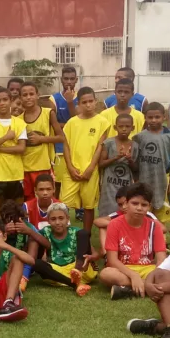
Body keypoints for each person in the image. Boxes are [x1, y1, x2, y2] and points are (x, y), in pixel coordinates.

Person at [99, 183, 168, 301]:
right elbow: (112, 260)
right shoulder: (114, 224)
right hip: (122, 269)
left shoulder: (154, 226)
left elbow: (161, 259)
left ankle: (128, 289)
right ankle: (148, 287)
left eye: (144, 205)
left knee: (169, 274)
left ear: (149, 207)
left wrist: (156, 274)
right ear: (126, 204)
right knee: (106, 274)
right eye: (135, 203)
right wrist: (133, 275)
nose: (139, 208)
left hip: (147, 269)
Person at [60, 88, 109, 233]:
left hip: (90, 171)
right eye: (84, 102)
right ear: (79, 103)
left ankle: (86, 237)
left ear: (95, 101)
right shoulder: (71, 122)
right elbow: (66, 146)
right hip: (72, 170)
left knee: (89, 206)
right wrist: (70, 166)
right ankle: (64, 234)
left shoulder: (102, 122)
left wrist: (90, 168)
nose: (88, 105)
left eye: (91, 101)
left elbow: (100, 147)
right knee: (63, 205)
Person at [32, 202, 96, 296]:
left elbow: (95, 254)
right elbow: (34, 239)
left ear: (67, 219)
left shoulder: (76, 232)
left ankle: (77, 271)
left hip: (78, 269)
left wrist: (91, 258)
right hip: (58, 272)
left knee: (84, 233)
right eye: (53, 219)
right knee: (37, 263)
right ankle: (74, 284)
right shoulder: (46, 231)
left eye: (61, 218)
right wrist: (29, 231)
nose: (57, 222)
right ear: (48, 220)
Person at [0, 86, 27, 216]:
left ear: (11, 100)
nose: (2, 103)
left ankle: (12, 233)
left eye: (5, 99)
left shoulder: (19, 123)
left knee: (15, 208)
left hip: (15, 173)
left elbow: (21, 148)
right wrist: (6, 137)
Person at [133, 102, 170, 224]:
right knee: (144, 209)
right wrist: (135, 179)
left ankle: (161, 240)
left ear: (164, 117)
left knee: (161, 211)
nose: (153, 120)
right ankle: (144, 239)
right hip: (144, 179)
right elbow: (135, 161)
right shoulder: (139, 137)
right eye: (150, 117)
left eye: (157, 117)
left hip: (163, 179)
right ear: (145, 117)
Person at [19, 83, 61, 201]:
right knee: (28, 201)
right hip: (24, 168)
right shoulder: (18, 120)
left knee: (46, 199)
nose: (28, 97)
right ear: (20, 98)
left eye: (31, 94)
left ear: (38, 95)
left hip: (43, 166)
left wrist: (41, 139)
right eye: (25, 95)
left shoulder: (48, 113)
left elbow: (61, 137)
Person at [42, 66, 76, 195]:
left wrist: (70, 102)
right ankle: (56, 207)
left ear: (76, 80)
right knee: (58, 182)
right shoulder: (54, 99)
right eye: (66, 79)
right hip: (60, 148)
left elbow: (78, 120)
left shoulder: (82, 96)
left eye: (72, 79)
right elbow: (53, 123)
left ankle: (79, 212)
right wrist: (70, 125)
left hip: (77, 145)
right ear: (61, 80)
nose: (69, 82)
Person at [97, 114, 138, 217]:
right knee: (107, 213)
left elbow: (136, 169)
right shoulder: (109, 143)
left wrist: (130, 160)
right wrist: (116, 157)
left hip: (125, 185)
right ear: (115, 127)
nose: (124, 129)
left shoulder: (135, 146)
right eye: (121, 126)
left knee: (124, 211)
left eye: (127, 126)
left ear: (132, 128)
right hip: (109, 186)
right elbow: (101, 164)